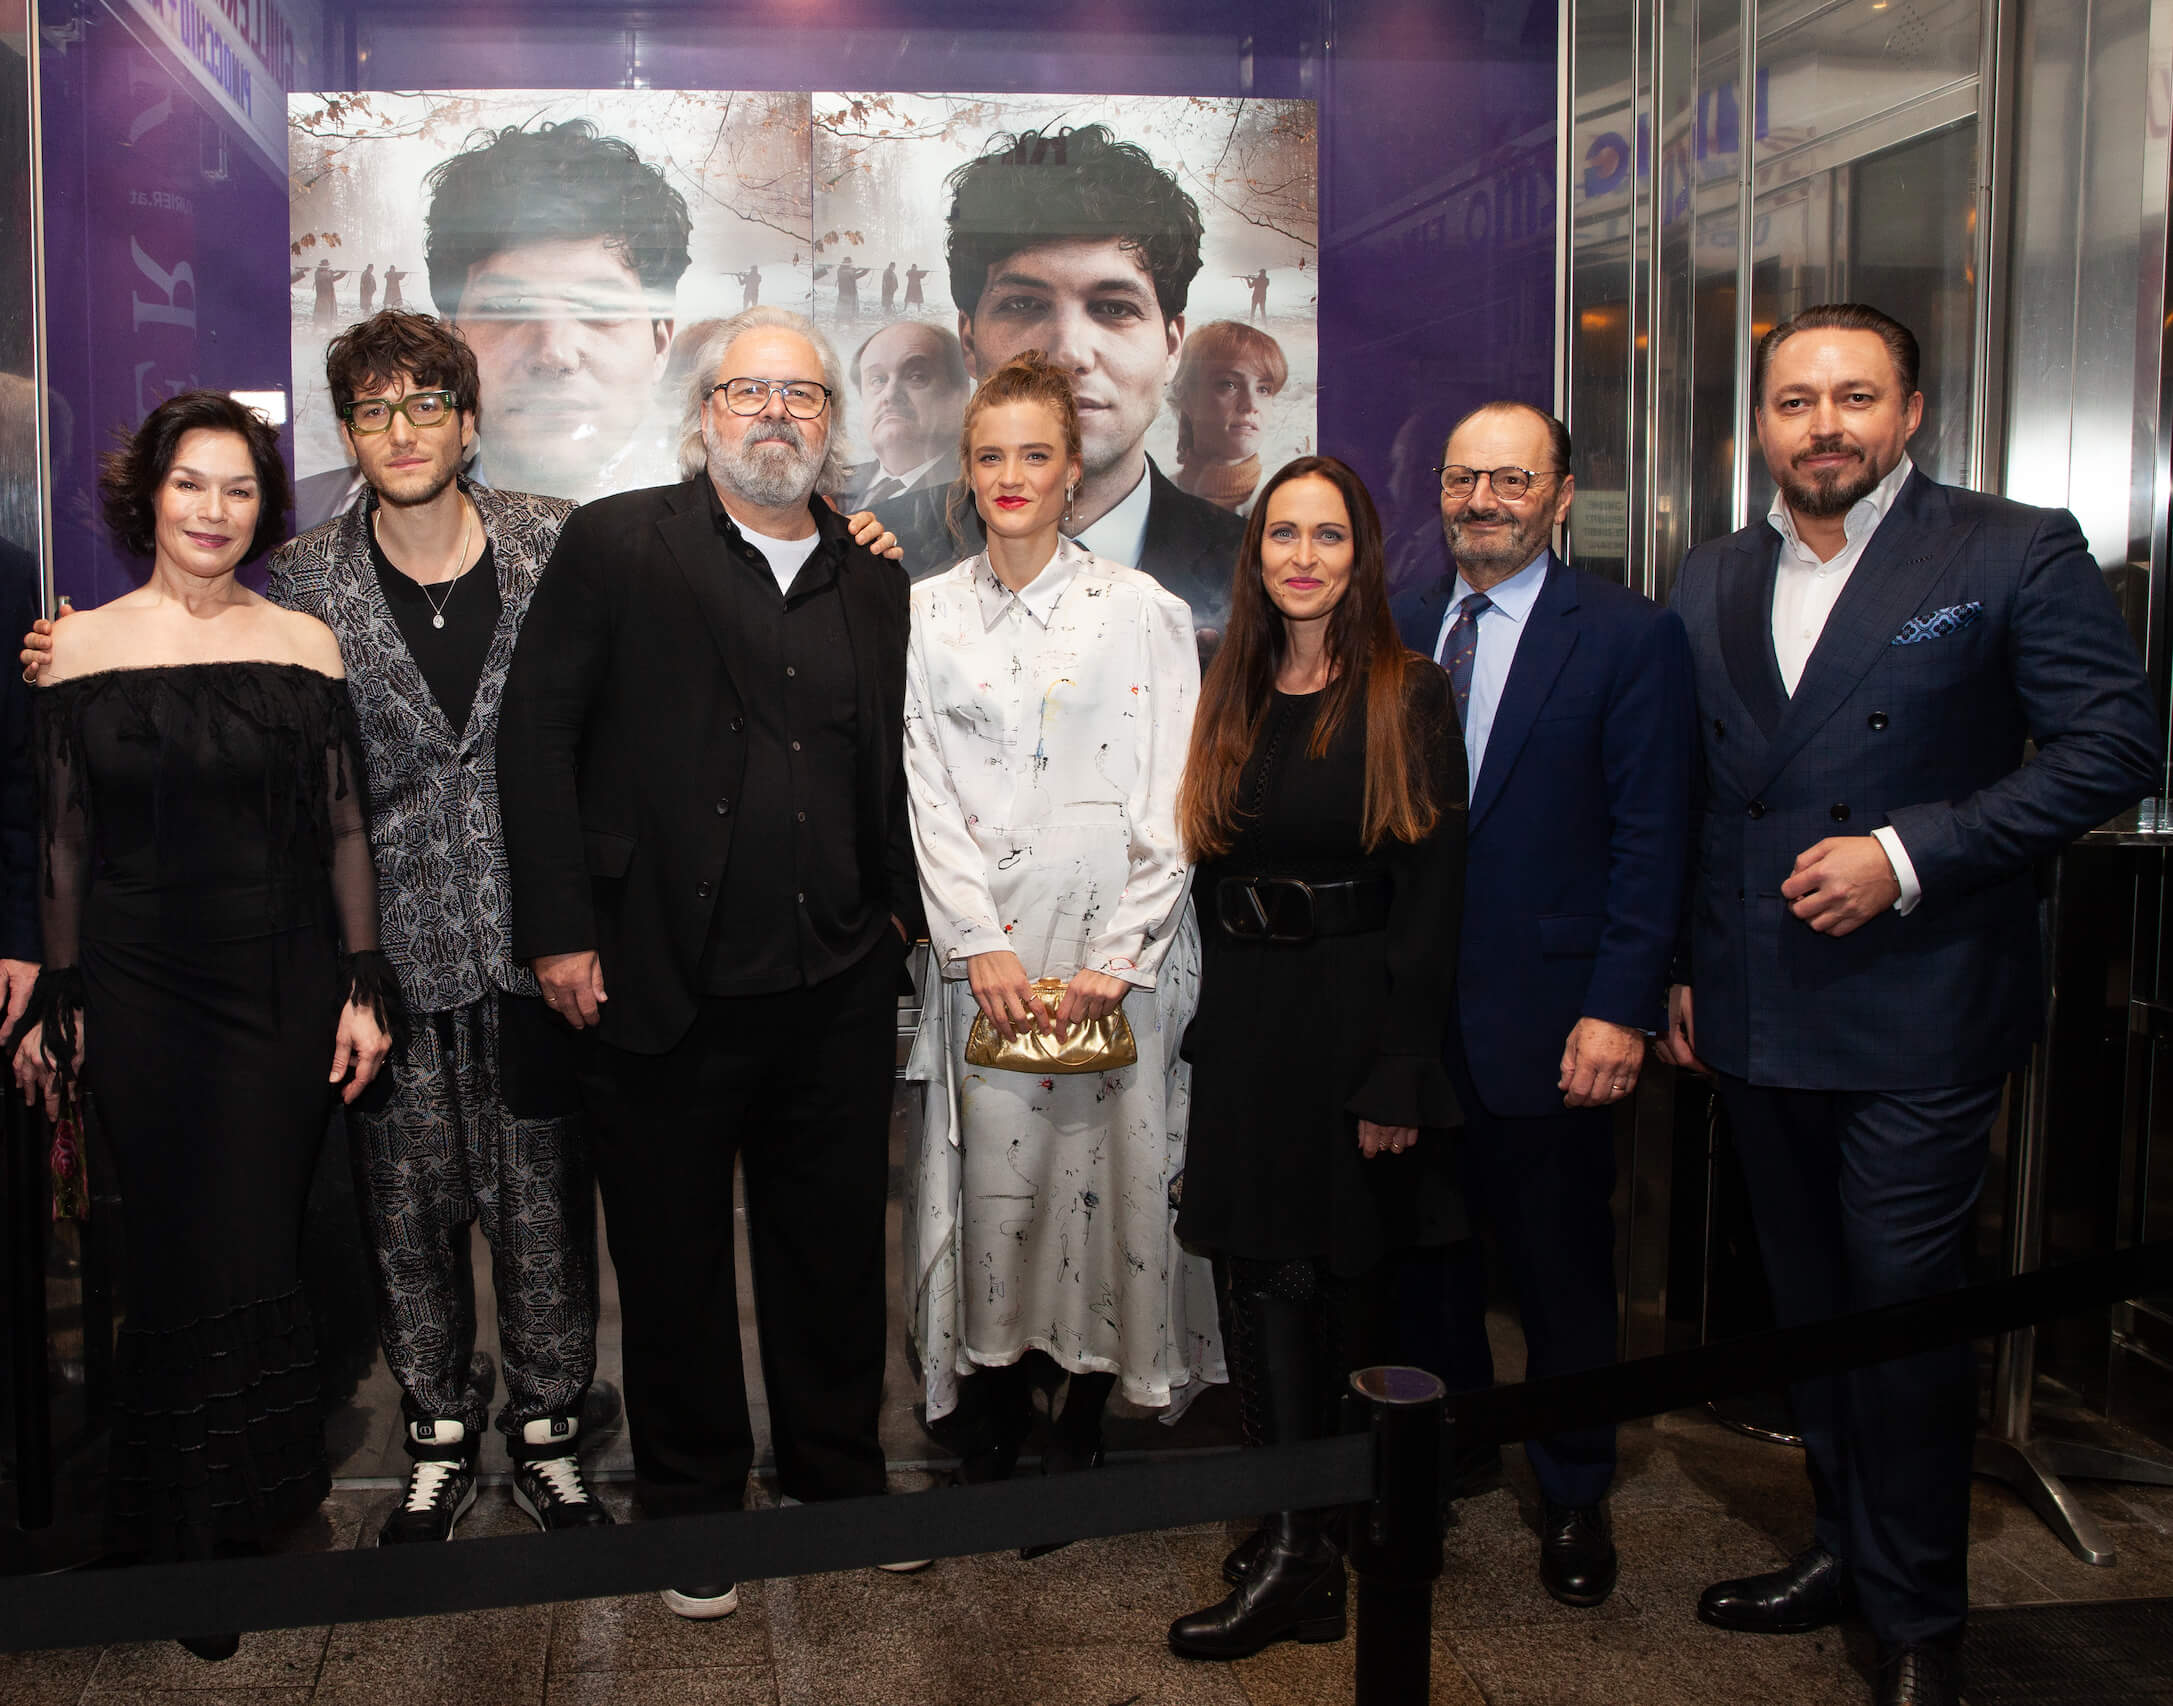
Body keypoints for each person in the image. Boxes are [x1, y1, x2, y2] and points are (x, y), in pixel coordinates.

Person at [1656, 304, 2160, 1706]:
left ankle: (1921, 1616)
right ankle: (1838, 1547)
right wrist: (1687, 970)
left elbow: (2115, 743)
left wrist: (1908, 852)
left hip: (1919, 1005)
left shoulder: (2007, 548)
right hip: (1755, 1009)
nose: (1824, 424)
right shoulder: (1708, 576)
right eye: (1795, 400)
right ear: (1757, 423)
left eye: (1855, 397)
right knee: (1811, 1307)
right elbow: (1706, 803)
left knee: (1901, 1308)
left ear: (1911, 413)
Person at [496, 305, 926, 1620]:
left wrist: (900, 920)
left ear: (832, 427)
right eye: (750, 392)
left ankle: (833, 1481)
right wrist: (560, 930)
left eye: (801, 397)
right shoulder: (618, 541)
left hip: (836, 985)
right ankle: (688, 1504)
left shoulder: (873, 576)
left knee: (832, 1253)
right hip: (655, 978)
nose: (775, 416)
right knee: (673, 1263)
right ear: (704, 414)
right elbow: (535, 737)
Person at [12, 392, 395, 1659]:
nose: (213, 510)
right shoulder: (72, 649)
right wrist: (60, 1006)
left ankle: (253, 1507)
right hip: (137, 992)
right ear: (149, 496)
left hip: (280, 988)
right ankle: (176, 1520)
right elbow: (63, 840)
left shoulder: (306, 645)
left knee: (259, 1246)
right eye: (191, 484)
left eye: (238, 489)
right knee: (172, 1255)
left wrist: (360, 984)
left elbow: (344, 830)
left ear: (263, 509)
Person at [270, 312, 610, 1545]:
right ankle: (438, 1431)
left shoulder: (553, 541)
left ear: (469, 423)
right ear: (348, 432)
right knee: (405, 1211)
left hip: (539, 946)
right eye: (373, 409)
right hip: (389, 957)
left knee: (542, 1207)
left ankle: (552, 1431)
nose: (401, 430)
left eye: (426, 404)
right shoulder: (304, 579)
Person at [901, 350, 1217, 1507]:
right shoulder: (925, 614)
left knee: (1108, 1175)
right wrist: (972, 938)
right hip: (981, 958)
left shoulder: (1144, 611)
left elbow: (1176, 796)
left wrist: (1117, 956)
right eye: (991, 456)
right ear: (967, 472)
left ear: (1073, 470)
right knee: (996, 1182)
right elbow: (922, 785)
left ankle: (1083, 1405)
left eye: (1036, 453)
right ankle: (990, 1399)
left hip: (1114, 955)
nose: (1012, 475)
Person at [1392, 402, 1693, 1608]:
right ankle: (1455, 1447)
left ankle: (1574, 1489)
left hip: (1556, 1019)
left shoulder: (1627, 637)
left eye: (1511, 479)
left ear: (1561, 495)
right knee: (1428, 1263)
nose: (1483, 500)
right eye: (1464, 478)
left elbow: (1651, 837)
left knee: (1562, 1270)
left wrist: (1619, 1007)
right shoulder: (1401, 623)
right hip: (1414, 1024)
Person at [1167, 456, 1466, 1661]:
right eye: (1280, 534)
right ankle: (1294, 1526)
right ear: (1256, 557)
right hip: (1248, 1023)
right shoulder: (1229, 686)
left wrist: (1400, 1068)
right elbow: (1203, 868)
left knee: (1323, 1283)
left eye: (1325, 535)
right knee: (1251, 1275)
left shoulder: (1407, 691)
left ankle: (1307, 1542)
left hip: (1350, 1026)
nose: (1301, 555)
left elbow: (1435, 893)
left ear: (1360, 555)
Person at [872, 124, 1245, 636]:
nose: (1068, 353)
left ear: (1172, 346)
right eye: (1023, 304)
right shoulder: (874, 559)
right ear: (969, 341)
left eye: (1114, 308)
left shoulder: (1259, 572)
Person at [295, 121, 695, 528]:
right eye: (506, 307)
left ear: (660, 342)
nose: (554, 353)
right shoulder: (313, 522)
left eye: (598, 307)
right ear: (450, 339)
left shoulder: (722, 538)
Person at [845, 321, 968, 507]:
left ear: (959, 395)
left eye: (916, 376)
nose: (890, 394)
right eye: (878, 380)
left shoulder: (976, 491)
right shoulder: (830, 489)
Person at [1169, 321, 1287, 513]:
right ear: (1187, 396)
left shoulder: (1287, 508)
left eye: (1263, 389)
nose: (1251, 405)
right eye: (1229, 384)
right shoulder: (1154, 499)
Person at [311, 259, 350, 332]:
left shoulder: (327, 274)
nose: (327, 268)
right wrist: (333, 272)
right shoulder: (318, 273)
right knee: (321, 314)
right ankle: (316, 330)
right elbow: (327, 276)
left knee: (328, 314)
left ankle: (329, 330)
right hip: (322, 297)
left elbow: (334, 278)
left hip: (329, 296)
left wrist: (343, 274)